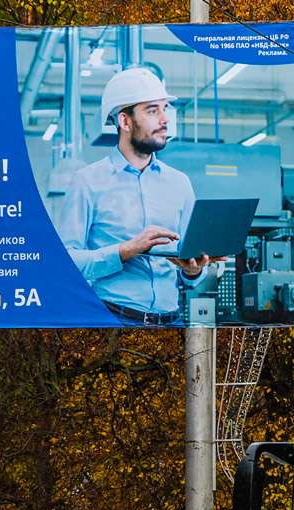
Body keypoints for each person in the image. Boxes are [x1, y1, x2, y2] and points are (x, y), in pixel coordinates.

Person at [55, 67, 216, 324]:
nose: (164, 120)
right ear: (124, 121)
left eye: (165, 109)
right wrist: (126, 250)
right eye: (153, 111)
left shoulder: (180, 183)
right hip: (112, 320)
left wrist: (193, 271)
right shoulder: (87, 181)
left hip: (171, 320)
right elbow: (65, 260)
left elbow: (190, 269)